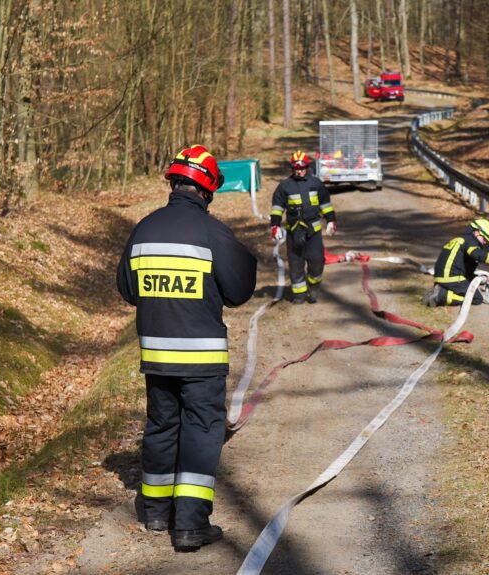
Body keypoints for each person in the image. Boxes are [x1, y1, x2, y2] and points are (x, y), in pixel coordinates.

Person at [116, 145, 257, 551]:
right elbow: (238, 290)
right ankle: (191, 525)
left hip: (157, 358)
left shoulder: (144, 229)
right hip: (201, 359)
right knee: (201, 430)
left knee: (161, 427)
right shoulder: (212, 232)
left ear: (173, 183)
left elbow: (127, 289)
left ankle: (156, 513)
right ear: (208, 189)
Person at [269, 150, 338, 304]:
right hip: (294, 231)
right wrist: (275, 225)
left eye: (301, 168)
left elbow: (325, 204)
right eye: (296, 168)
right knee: (296, 263)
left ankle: (313, 287)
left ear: (307, 167)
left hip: (313, 232)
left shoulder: (316, 184)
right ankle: (299, 294)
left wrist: (331, 220)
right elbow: (277, 207)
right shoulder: (284, 186)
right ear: (292, 168)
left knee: (317, 261)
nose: (299, 171)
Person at [422, 218, 489, 307]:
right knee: (477, 298)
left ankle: (440, 293)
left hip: (442, 276)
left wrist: (475, 278)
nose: (484, 243)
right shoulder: (470, 241)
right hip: (451, 277)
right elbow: (476, 254)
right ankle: (442, 296)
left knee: (469, 291)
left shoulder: (460, 239)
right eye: (484, 239)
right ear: (476, 232)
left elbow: (463, 265)